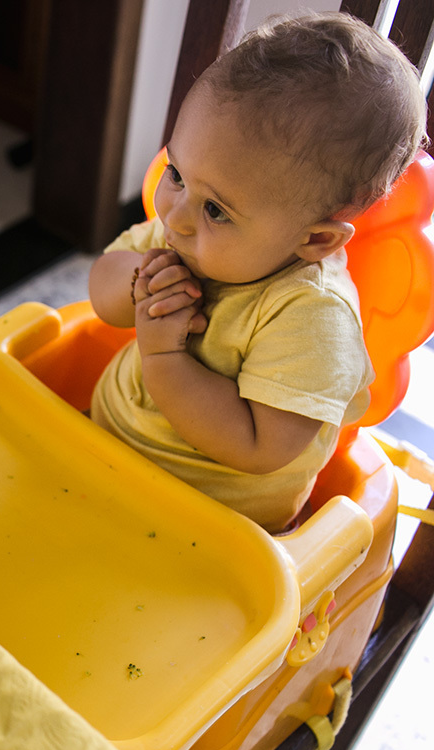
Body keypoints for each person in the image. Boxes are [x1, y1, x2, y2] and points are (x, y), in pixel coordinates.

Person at [86, 12, 426, 532]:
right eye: (176, 173)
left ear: (315, 240)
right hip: (92, 452)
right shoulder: (183, 231)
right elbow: (102, 289)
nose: (173, 215)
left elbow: (260, 444)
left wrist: (163, 357)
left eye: (217, 210)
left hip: (210, 526)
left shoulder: (312, 319)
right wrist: (137, 285)